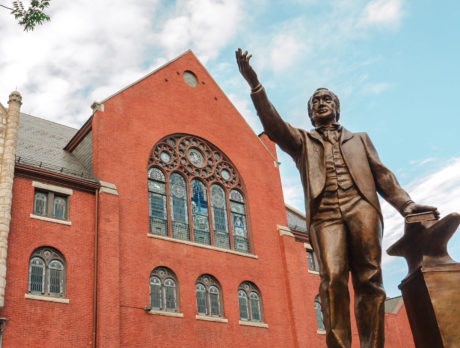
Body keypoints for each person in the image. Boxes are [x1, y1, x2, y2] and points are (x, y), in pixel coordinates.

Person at [235, 49, 438, 348]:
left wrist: (406, 205)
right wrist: (256, 86)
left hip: (362, 207)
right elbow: (274, 126)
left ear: (337, 108)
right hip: (325, 213)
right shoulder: (303, 141)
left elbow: (383, 175)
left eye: (326, 99)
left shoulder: (360, 140)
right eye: (315, 101)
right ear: (310, 112)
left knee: (370, 280)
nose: (321, 103)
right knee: (332, 281)